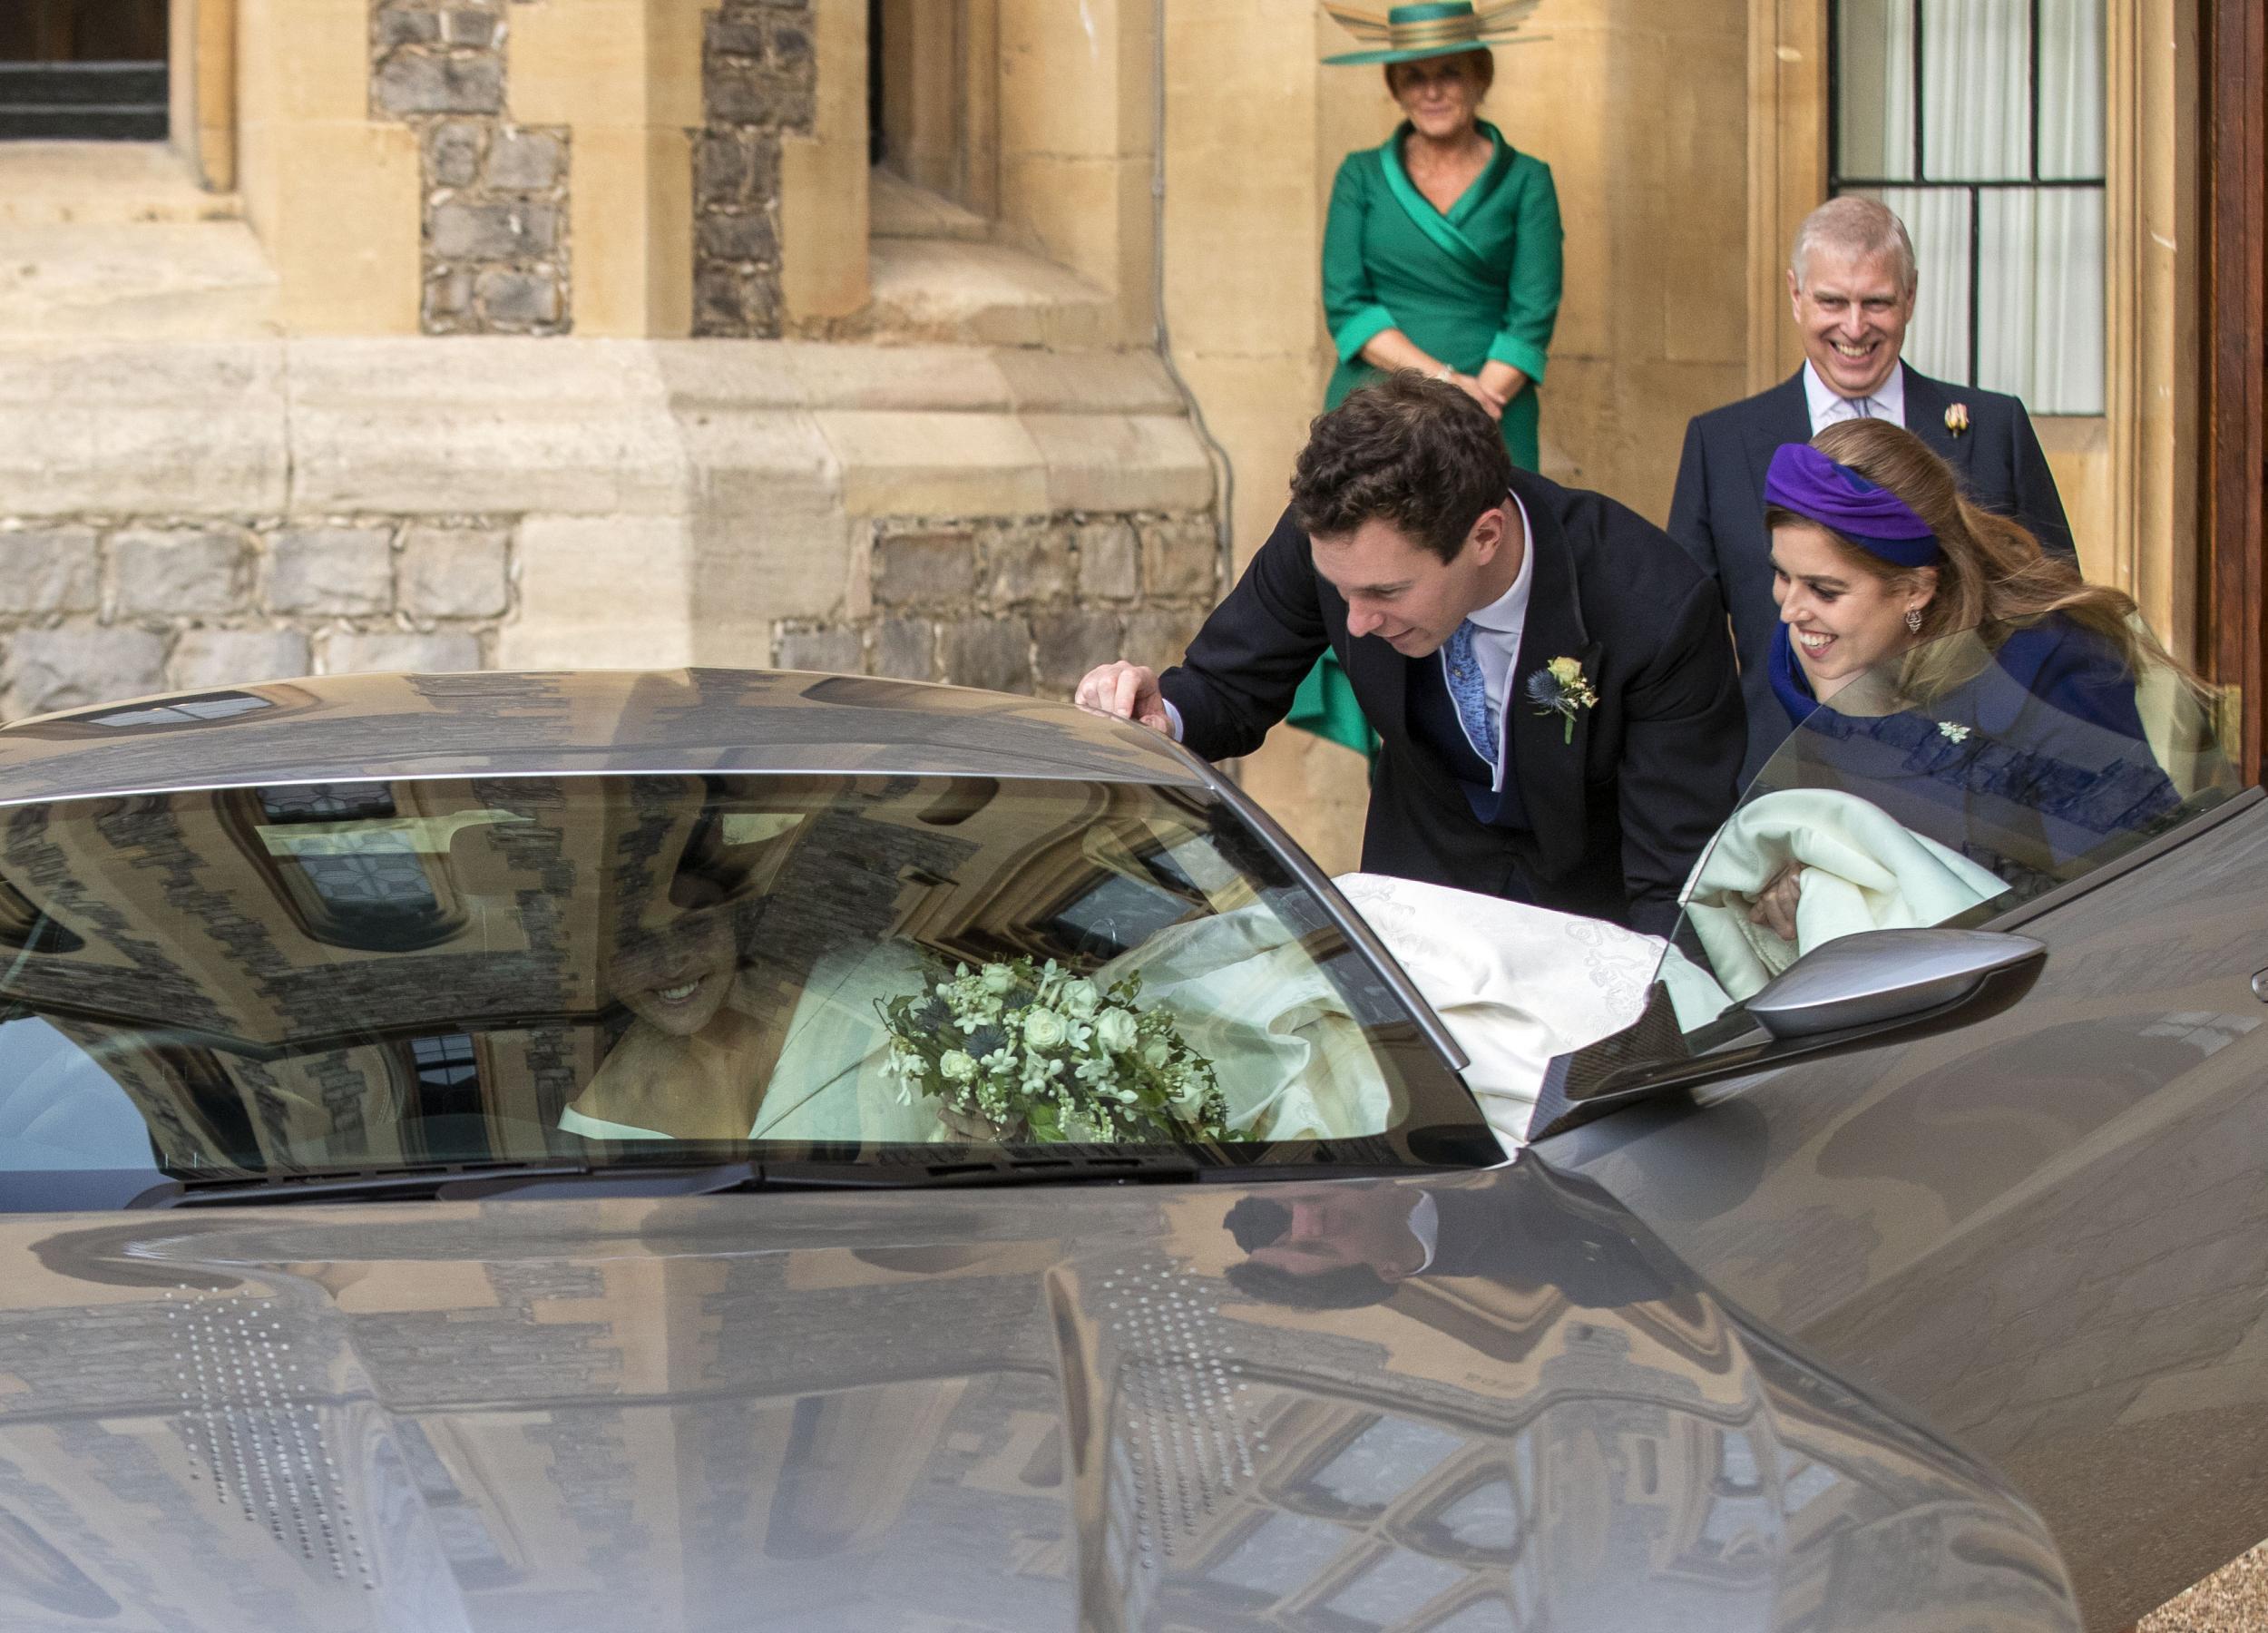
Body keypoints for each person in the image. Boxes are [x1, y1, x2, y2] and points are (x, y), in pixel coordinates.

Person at [1074, 372, 1745, 937]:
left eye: (1387, 592)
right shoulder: (1336, 546)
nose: (1358, 622)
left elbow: (1677, 878)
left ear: (1485, 536)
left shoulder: (1657, 609)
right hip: (1415, 900)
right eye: (1344, 593)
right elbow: (1227, 686)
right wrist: (1164, 713)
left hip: (1591, 924)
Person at [1667, 196, 2077, 783]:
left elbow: (2051, 604)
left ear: (1909, 298)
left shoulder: (1995, 429)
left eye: (1877, 302)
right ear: (1795, 294)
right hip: (1785, 775)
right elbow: (1687, 651)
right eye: (1833, 301)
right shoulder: (1720, 442)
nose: (1855, 327)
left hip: (1970, 779)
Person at [1740, 417, 2200, 936]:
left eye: (1825, 590)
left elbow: (2138, 883)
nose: (1790, 611)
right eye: (1783, 575)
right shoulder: (1798, 656)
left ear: (1915, 589)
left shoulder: (2050, 667)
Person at [1294, 0, 1563, 759]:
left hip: (1494, 412)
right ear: (1395, 84)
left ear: (1479, 75)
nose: (1433, 89)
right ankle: (1398, 780)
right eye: (1415, 75)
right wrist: (1445, 385)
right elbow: (1347, 306)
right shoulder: (1360, 177)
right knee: (1378, 593)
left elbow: (1532, 313)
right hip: (1378, 407)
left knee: (1477, 592)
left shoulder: (1527, 181)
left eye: (1448, 71)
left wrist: (1480, 402)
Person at [1220, 1170, 1676, 1311]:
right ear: (1388, 1272)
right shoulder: (1595, 1281)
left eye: (1308, 1196)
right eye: (1315, 1249)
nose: (1311, 1221)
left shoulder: (1498, 1140)